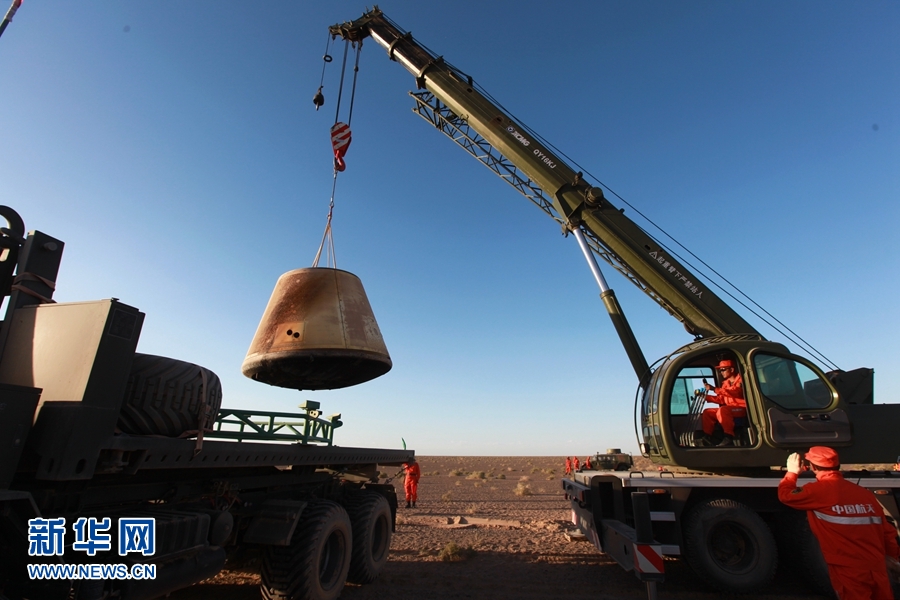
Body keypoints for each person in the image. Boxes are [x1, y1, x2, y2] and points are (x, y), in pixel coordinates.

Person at [778, 446, 900, 600]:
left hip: (847, 568)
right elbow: (887, 532)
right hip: (876, 567)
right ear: (838, 466)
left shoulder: (817, 492)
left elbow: (785, 495)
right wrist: (893, 558)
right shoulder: (864, 494)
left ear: (813, 467)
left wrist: (792, 472)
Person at [700, 359, 746, 447]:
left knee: (723, 410)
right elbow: (721, 400)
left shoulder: (741, 380)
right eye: (720, 370)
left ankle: (728, 437)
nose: (721, 372)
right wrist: (705, 397)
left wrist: (714, 389)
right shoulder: (725, 383)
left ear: (731, 370)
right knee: (707, 412)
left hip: (741, 408)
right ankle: (707, 437)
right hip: (730, 409)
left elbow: (736, 393)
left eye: (723, 369)